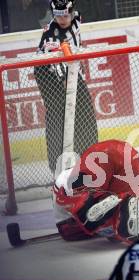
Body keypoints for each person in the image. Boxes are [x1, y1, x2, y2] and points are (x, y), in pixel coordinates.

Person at [34, 0, 98, 174]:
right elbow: (57, 65)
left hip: (69, 67)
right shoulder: (52, 35)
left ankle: (88, 157)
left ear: (72, 11)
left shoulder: (77, 18)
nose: (62, 19)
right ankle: (58, 168)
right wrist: (67, 84)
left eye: (65, 15)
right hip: (48, 74)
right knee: (58, 115)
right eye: (58, 16)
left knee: (84, 110)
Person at [53, 139, 139, 244]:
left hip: (78, 188)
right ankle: (118, 221)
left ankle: (111, 221)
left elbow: (62, 198)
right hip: (125, 154)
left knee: (69, 232)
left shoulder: (67, 177)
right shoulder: (78, 171)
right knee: (116, 226)